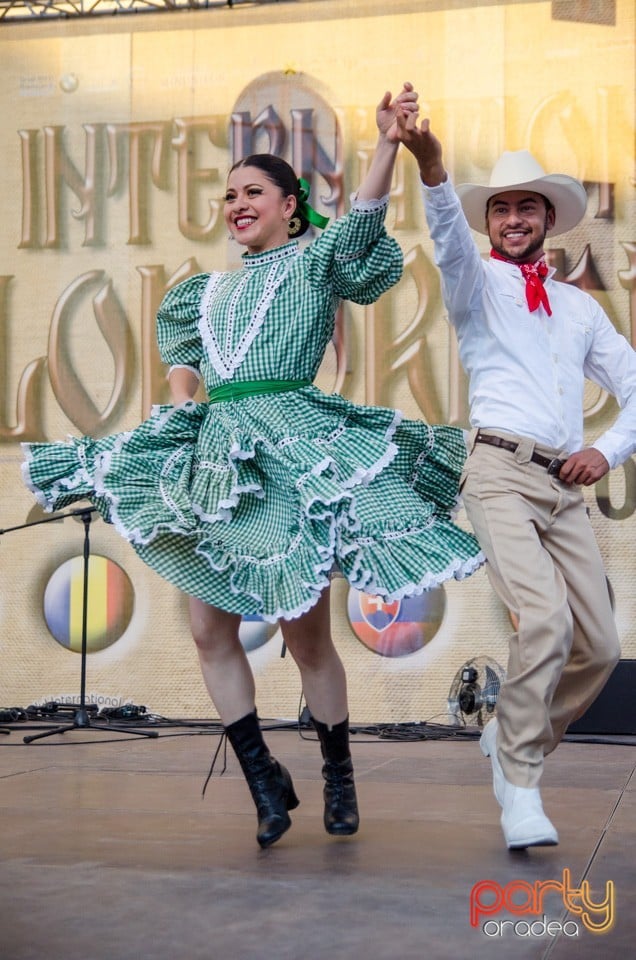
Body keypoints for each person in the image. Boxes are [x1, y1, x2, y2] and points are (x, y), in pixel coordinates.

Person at [22, 84, 483, 849]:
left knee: (307, 640)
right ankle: (265, 779)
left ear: (290, 206)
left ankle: (338, 776)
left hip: (289, 446)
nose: (236, 203)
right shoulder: (207, 292)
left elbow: (365, 217)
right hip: (221, 450)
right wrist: (178, 405)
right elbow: (183, 361)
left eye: (253, 192)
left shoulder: (314, 262)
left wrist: (386, 145)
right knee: (209, 629)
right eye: (229, 194)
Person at [397, 110, 636, 850]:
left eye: (525, 206)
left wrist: (609, 449)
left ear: (547, 219)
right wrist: (432, 166)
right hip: (497, 470)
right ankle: (522, 781)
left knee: (597, 646)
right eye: (500, 207)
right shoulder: (475, 285)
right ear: (490, 221)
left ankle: (507, 736)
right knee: (547, 621)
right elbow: (445, 236)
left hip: (563, 483)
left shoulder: (580, 308)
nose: (512, 218)